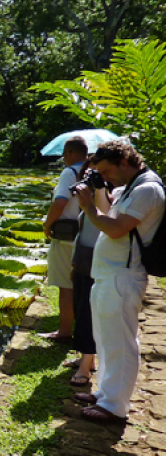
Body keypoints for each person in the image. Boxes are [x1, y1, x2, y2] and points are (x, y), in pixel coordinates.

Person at [72, 140, 165, 423]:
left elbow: (115, 229)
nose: (107, 177)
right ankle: (104, 394)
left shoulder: (148, 188)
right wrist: (98, 190)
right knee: (105, 339)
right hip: (108, 275)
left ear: (124, 163)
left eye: (107, 171)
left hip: (123, 277)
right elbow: (111, 211)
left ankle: (115, 406)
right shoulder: (132, 186)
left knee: (121, 343)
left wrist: (88, 207)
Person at [40, 137, 89, 342]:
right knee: (84, 283)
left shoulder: (69, 172)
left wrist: (47, 224)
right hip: (88, 234)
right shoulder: (93, 171)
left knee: (66, 285)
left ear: (69, 153)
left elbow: (60, 201)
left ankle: (64, 331)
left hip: (67, 235)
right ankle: (84, 329)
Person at [66, 159, 108, 387]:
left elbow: (105, 219)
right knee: (81, 310)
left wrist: (98, 192)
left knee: (88, 314)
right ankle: (87, 359)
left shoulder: (108, 196)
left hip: (97, 261)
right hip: (83, 261)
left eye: (96, 173)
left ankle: (85, 367)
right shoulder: (87, 201)